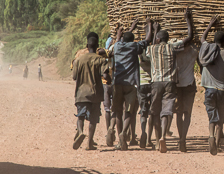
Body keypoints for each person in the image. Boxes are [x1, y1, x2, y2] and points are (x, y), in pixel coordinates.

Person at [145, 9, 194, 153]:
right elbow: (189, 37)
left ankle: (157, 137)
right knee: (166, 111)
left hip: (156, 83)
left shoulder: (151, 49)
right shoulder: (173, 47)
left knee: (154, 112)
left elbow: (151, 43)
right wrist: (187, 19)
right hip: (170, 83)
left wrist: (153, 29)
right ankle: (163, 138)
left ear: (158, 39)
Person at [111, 18, 153, 151]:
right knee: (129, 111)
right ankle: (124, 132)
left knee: (118, 112)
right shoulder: (135, 47)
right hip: (131, 84)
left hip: (117, 83)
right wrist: (150, 25)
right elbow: (147, 40)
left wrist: (126, 31)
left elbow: (119, 40)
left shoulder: (117, 46)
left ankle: (120, 139)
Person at [199, 15, 224, 155]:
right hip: (222, 90)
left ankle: (211, 136)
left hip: (209, 89)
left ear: (213, 41)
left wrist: (209, 25)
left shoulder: (206, 49)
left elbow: (202, 39)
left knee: (212, 116)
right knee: (220, 117)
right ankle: (218, 145)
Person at [72, 37, 108, 150]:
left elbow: (74, 77)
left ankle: (81, 132)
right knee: (93, 118)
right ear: (97, 46)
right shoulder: (100, 60)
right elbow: (105, 75)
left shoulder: (78, 59)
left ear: (87, 46)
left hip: (81, 92)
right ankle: (90, 142)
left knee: (80, 115)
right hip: (95, 93)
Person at [174, 37, 200, 153]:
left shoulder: (175, 51)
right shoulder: (194, 51)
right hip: (189, 85)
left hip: (177, 85)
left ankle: (181, 138)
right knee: (187, 114)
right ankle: (183, 139)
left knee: (179, 113)